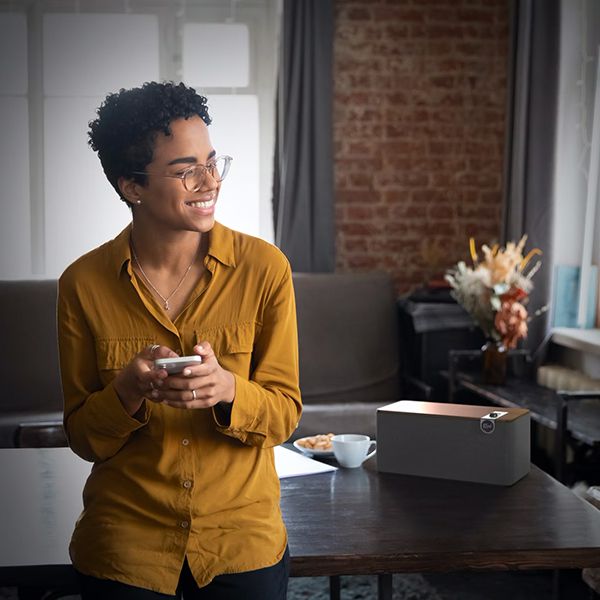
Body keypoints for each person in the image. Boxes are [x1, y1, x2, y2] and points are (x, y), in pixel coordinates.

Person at [57, 81, 302, 599]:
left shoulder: (265, 269)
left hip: (241, 539)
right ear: (132, 187)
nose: (209, 180)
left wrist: (228, 390)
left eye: (213, 162)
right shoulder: (82, 284)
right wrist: (125, 392)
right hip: (128, 543)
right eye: (185, 169)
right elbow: (82, 438)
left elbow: (285, 413)